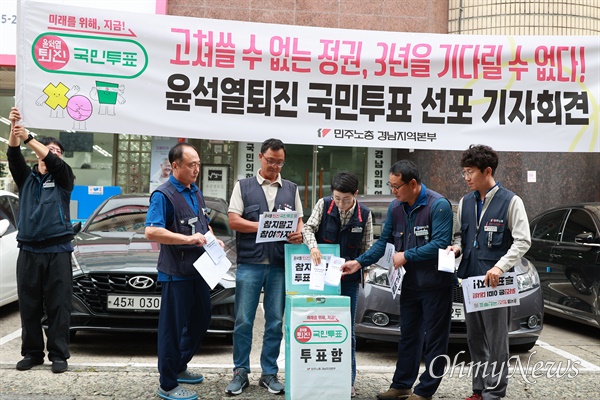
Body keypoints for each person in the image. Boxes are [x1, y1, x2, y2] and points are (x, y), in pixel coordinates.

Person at [341, 160, 454, 400]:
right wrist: (359, 262)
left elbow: (441, 244)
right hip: (410, 284)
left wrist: (407, 255)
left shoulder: (439, 205)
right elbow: (383, 243)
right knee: (409, 335)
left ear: (412, 184)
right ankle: (402, 385)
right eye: (390, 186)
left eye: (396, 186)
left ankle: (425, 391)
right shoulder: (395, 207)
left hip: (436, 285)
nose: (393, 191)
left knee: (435, 340)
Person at [447, 145, 531, 400]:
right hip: (472, 279)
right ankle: (479, 389)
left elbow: (523, 241)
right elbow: (463, 236)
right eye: (464, 172)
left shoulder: (511, 201)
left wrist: (500, 266)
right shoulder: (465, 202)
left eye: (470, 172)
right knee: (475, 338)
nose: (466, 178)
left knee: (496, 340)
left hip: (496, 282)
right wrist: (457, 249)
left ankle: (494, 392)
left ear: (487, 171)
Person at [145, 142, 224, 400]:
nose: (197, 169)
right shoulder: (163, 195)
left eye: (198, 164)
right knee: (172, 328)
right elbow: (152, 231)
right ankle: (167, 384)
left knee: (201, 320)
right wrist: (187, 240)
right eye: (192, 165)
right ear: (175, 166)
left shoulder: (195, 192)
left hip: (200, 271)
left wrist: (213, 239)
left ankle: (179, 366)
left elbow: (204, 223)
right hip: (176, 273)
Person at [225, 138, 304, 396]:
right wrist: (264, 226)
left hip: (279, 264)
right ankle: (240, 371)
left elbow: (299, 222)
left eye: (279, 162)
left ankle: (269, 373)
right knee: (244, 319)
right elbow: (234, 220)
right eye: (271, 161)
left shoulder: (291, 188)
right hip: (250, 263)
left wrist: (297, 235)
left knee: (274, 321)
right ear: (260, 157)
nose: (275, 166)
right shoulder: (243, 186)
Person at [8, 107, 75, 374]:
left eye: (57, 151)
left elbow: (55, 162)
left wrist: (28, 138)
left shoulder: (63, 178)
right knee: (29, 305)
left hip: (57, 250)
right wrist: (14, 128)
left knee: (59, 306)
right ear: (36, 155)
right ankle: (33, 353)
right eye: (50, 150)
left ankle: (59, 355)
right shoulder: (26, 178)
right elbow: (13, 155)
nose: (53, 154)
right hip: (28, 250)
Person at [301, 171, 373, 398]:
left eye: (346, 199)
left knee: (346, 330)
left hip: (349, 280)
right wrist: (313, 247)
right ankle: (316, 376)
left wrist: (362, 266)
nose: (340, 204)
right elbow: (308, 228)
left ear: (356, 194)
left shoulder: (365, 215)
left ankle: (347, 380)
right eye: (337, 198)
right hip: (321, 278)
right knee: (318, 325)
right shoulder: (324, 205)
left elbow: (367, 248)